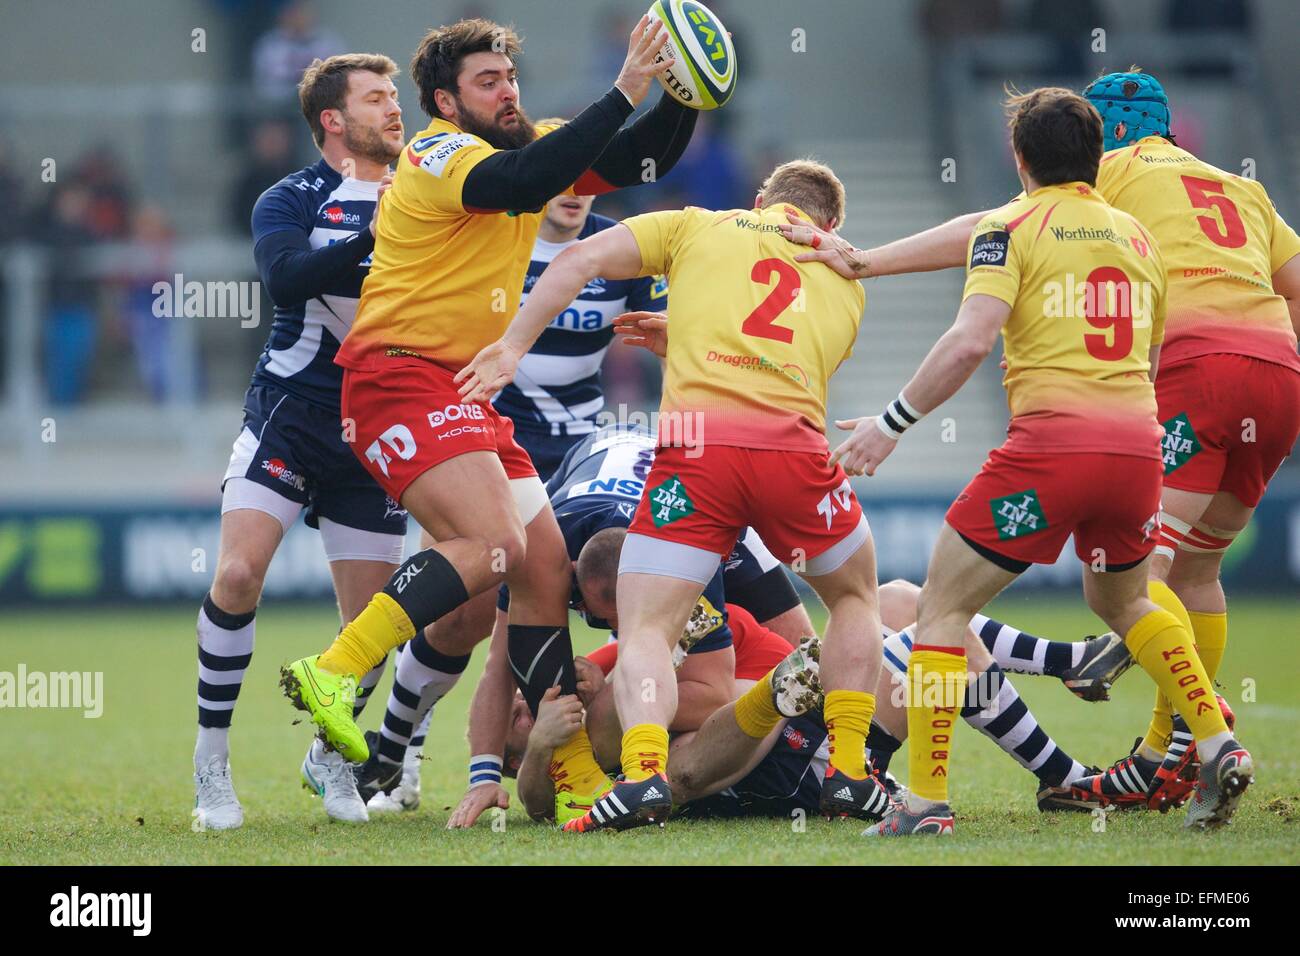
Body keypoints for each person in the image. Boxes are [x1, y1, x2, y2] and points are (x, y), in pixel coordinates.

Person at [783, 70, 1299, 817]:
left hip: (1063, 440)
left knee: (943, 610)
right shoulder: (1167, 229)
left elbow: (969, 334)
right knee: (1157, 584)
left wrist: (888, 413)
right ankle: (1207, 738)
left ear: (1024, 160)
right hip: (1193, 410)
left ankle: (925, 798)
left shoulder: (1027, 217)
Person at [277, 17, 700, 827]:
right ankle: (336, 669)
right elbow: (524, 180)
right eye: (487, 81)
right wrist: (627, 86)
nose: (508, 90)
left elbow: (635, 161)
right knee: (493, 547)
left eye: (511, 77)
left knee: (542, 571)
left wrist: (686, 94)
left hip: (457, 389)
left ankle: (571, 771)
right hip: (396, 378)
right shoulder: (438, 153)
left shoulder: (523, 147)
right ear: (444, 100)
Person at [458, 159, 887, 832]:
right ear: (829, 226)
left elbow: (579, 260)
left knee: (649, 627)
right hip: (793, 448)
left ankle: (644, 776)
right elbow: (773, 355)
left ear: (757, 200)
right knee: (856, 598)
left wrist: (513, 347)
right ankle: (852, 770)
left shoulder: (696, 224)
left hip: (696, 451)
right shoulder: (846, 278)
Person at [192, 53, 407, 829]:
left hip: (380, 425)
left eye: (395, 96)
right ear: (332, 119)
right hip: (291, 411)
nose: (394, 109)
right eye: (376, 98)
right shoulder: (291, 196)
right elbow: (284, 280)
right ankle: (211, 764)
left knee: (374, 621)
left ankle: (332, 755)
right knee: (241, 573)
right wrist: (370, 237)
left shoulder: (426, 185)